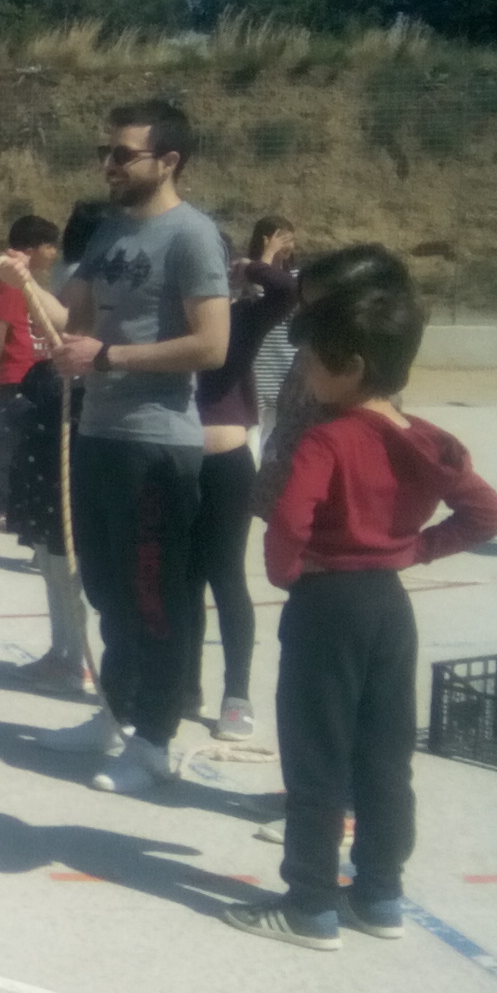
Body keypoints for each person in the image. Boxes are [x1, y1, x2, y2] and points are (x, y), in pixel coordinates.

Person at [224, 280, 497, 950]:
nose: (304, 372)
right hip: (388, 605)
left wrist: (287, 573)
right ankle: (379, 895)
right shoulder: (431, 441)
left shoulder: (327, 439)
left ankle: (309, 905)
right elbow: (488, 514)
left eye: (313, 360)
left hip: (328, 606)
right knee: (385, 757)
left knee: (316, 758)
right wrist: (416, 548)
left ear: (350, 367)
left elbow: (289, 521)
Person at [45, 100, 231, 794]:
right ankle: (115, 713)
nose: (110, 165)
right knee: (106, 589)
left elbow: (212, 345)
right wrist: (23, 283)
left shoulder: (193, 237)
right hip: (98, 433)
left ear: (169, 161)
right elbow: (75, 315)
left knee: (154, 598)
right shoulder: (112, 230)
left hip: (155, 446)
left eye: (123, 154)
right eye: (107, 152)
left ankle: (153, 741)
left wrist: (108, 357)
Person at [182, 229, 298, 737]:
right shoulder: (161, 319)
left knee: (225, 576)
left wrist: (250, 266)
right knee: (182, 579)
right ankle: (185, 683)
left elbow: (287, 292)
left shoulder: (240, 317)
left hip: (225, 462)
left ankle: (237, 695)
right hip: (171, 464)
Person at [0, 199, 111, 697]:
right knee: (47, 555)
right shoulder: (72, 271)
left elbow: (71, 326)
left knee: (68, 559)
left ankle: (79, 657)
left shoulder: (102, 280)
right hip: (46, 417)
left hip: (77, 419)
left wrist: (29, 284)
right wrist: (29, 283)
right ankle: (62, 652)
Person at [253, 243, 413, 520]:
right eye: (303, 306)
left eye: (317, 311)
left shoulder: (358, 382)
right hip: (288, 496)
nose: (302, 318)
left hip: (325, 516)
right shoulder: (312, 356)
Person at [0, 215, 62, 529]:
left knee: (31, 445)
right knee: (5, 444)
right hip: (16, 375)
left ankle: (19, 505)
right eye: (49, 246)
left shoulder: (32, 285)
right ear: (30, 249)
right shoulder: (9, 285)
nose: (54, 253)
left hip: (41, 374)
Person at [246, 216, 299, 434]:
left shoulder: (298, 279)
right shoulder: (247, 272)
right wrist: (267, 256)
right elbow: (256, 296)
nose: (288, 245)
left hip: (288, 368)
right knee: (252, 439)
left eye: (291, 240)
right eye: (281, 239)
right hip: (257, 368)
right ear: (265, 240)